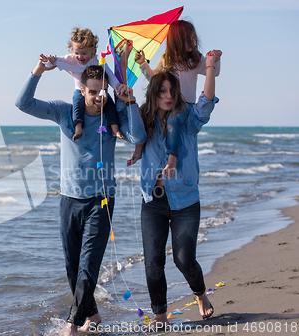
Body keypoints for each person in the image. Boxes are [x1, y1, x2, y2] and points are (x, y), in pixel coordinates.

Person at [16, 61, 145, 335]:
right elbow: (23, 104)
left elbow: (138, 136)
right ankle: (92, 314)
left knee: (88, 265)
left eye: (103, 92)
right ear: (82, 90)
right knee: (73, 267)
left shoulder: (111, 118)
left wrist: (129, 102)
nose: (99, 97)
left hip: (102, 200)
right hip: (69, 200)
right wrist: (38, 71)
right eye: (93, 92)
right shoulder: (65, 113)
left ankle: (71, 324)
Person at [126, 51, 218, 330]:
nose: (167, 95)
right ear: (155, 93)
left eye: (171, 91)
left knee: (183, 259)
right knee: (153, 262)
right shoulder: (145, 119)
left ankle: (200, 293)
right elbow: (130, 132)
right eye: (162, 90)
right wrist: (126, 95)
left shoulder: (188, 118)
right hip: (152, 199)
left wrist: (211, 68)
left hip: (186, 201)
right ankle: (160, 316)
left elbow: (206, 104)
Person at [130, 19, 222, 178]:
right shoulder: (166, 59)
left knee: (173, 121)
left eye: (193, 38)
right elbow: (155, 80)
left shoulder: (195, 59)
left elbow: (214, 73)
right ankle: (139, 150)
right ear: (176, 41)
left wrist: (215, 61)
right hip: (169, 104)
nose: (192, 42)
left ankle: (172, 159)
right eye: (187, 39)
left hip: (186, 107)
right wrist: (142, 63)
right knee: (145, 117)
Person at [41, 27, 130, 141]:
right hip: (80, 90)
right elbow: (54, 63)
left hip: (97, 91)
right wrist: (49, 59)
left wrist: (118, 86)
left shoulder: (97, 60)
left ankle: (115, 130)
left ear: (92, 51)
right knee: (77, 106)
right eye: (76, 52)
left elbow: (109, 75)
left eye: (84, 53)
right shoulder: (71, 60)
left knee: (110, 105)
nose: (80, 56)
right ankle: (78, 129)